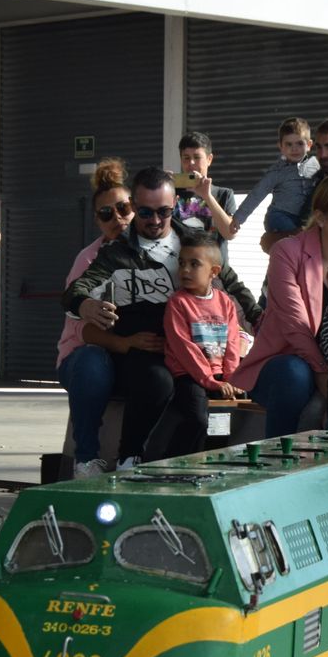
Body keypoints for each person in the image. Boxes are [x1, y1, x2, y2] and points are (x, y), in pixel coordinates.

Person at [65, 166, 256, 469]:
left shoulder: (194, 242)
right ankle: (126, 457)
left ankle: (190, 466)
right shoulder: (115, 252)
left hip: (195, 349)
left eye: (164, 212)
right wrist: (84, 304)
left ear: (174, 207)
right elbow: (77, 292)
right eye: (145, 213)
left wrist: (259, 320)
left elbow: (233, 285)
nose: (155, 221)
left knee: (208, 404)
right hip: (145, 348)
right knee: (156, 380)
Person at [232, 174, 328, 437]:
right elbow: (296, 326)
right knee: (295, 373)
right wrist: (324, 374)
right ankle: (277, 460)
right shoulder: (287, 251)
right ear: (320, 217)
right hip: (285, 361)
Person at [58, 158, 136, 478]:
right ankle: (86, 460)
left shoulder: (162, 254)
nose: (117, 218)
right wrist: (124, 342)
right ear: (97, 220)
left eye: (124, 208)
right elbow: (84, 330)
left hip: (134, 354)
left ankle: (135, 457)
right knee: (92, 360)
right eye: (106, 214)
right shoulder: (88, 259)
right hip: (92, 357)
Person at [144, 231, 244, 460]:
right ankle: (175, 461)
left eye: (194, 264)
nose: (185, 270)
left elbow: (232, 340)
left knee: (223, 421)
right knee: (198, 418)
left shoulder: (225, 302)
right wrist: (209, 381)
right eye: (182, 263)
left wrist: (231, 377)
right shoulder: (178, 303)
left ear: (214, 272)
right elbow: (183, 347)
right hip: (189, 375)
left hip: (219, 377)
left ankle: (209, 463)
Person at [231, 118, 320, 245]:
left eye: (299, 143)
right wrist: (239, 218)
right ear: (281, 147)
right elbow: (257, 193)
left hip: (301, 218)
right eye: (289, 144)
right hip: (279, 216)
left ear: (309, 145)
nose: (294, 149)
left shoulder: (314, 165)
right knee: (299, 241)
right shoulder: (277, 171)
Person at [173, 131, 240, 266]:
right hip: (179, 270)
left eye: (197, 157)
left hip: (214, 274)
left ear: (209, 159)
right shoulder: (171, 192)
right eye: (186, 158)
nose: (191, 163)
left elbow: (230, 233)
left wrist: (207, 196)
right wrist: (161, 186)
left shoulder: (224, 194)